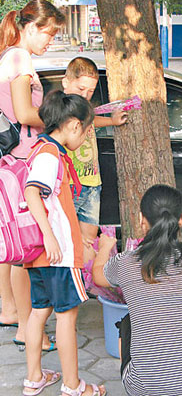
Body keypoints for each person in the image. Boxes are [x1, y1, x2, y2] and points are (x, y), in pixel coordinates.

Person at [92, 184, 182, 396]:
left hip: (146, 387)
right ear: (181, 219)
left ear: (142, 219)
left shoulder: (125, 263)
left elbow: (98, 277)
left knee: (127, 322)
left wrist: (105, 247)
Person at [23, 90, 106, 396]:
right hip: (57, 254)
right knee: (66, 318)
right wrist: (50, 236)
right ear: (73, 126)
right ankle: (73, 386)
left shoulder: (39, 148)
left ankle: (34, 378)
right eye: (86, 131)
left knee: (38, 311)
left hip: (42, 255)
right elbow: (34, 192)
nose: (85, 138)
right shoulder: (50, 156)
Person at [0, 0, 65, 349]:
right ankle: (29, 330)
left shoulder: (9, 55)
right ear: (29, 27)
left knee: (15, 248)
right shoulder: (20, 58)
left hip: (10, 161)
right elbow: (25, 113)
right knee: (27, 252)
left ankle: (16, 317)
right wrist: (62, 117)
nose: (49, 42)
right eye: (48, 34)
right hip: (23, 160)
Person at [62, 57, 127, 263]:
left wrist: (112, 121)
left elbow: (92, 120)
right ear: (66, 82)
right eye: (80, 88)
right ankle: (71, 281)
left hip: (92, 183)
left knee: (89, 238)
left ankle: (85, 281)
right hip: (70, 185)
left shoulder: (85, 108)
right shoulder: (60, 107)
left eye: (90, 91)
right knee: (69, 237)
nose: (85, 95)